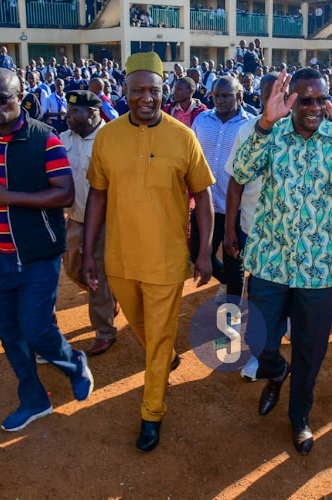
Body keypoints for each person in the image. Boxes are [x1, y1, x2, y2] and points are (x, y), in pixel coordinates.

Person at [233, 68, 332, 455]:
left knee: (311, 350)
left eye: (321, 99)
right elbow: (241, 171)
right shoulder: (271, 132)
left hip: (321, 265)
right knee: (258, 338)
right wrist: (264, 122)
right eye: (306, 99)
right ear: (291, 99)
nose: (315, 107)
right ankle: (277, 372)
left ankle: (300, 417)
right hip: (270, 260)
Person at [83, 52, 216, 452]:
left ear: (164, 93)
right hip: (120, 259)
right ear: (123, 91)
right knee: (140, 327)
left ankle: (152, 411)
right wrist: (89, 253)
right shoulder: (107, 136)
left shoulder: (183, 136)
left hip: (166, 261)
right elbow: (96, 197)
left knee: (158, 339)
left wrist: (204, 251)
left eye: (154, 90)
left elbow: (204, 197)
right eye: (137, 90)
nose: (146, 98)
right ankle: (164, 357)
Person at [0, 68, 93, 432]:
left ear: (20, 96)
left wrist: (8, 197)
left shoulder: (45, 139)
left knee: (36, 328)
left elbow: (64, 194)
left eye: (2, 98)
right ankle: (33, 398)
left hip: (37, 256)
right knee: (9, 332)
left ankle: (73, 363)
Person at [222, 72, 283, 382]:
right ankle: (259, 355)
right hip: (254, 228)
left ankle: (279, 339)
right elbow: (235, 182)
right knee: (258, 294)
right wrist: (230, 229)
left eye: (280, 93)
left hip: (293, 234)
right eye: (266, 92)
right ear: (257, 95)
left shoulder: (305, 131)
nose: (272, 98)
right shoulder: (248, 130)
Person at [58, 90, 118, 356]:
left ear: (92, 113)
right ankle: (109, 298)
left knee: (97, 277)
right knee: (73, 269)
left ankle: (105, 331)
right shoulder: (62, 139)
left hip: (105, 223)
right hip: (74, 218)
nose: (67, 116)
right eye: (68, 112)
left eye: (73, 112)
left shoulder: (111, 139)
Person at [191, 76, 251, 298]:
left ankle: (232, 313)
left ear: (239, 96)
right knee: (196, 252)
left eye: (226, 95)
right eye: (216, 96)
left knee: (234, 260)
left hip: (235, 208)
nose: (220, 100)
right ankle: (224, 279)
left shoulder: (250, 125)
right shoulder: (201, 121)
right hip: (206, 205)